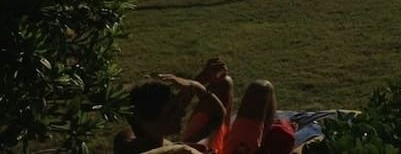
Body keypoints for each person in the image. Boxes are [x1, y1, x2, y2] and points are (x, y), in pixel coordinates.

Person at [116, 59, 289, 154]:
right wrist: (197, 86)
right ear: (146, 120)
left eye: (178, 105)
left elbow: (147, 115)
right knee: (262, 89)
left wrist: (200, 80)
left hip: (197, 143)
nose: (182, 112)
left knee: (223, 83)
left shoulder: (135, 134)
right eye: (172, 111)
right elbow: (218, 116)